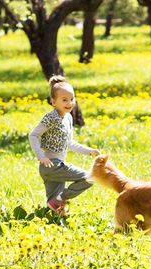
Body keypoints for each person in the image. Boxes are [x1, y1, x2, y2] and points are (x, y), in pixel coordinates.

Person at [29, 75, 101, 214]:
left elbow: (69, 143)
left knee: (55, 207)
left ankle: (53, 217)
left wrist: (89, 151)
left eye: (72, 98)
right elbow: (33, 135)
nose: (69, 102)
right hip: (51, 165)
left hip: (54, 167)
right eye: (64, 100)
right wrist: (40, 156)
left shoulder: (68, 117)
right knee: (89, 177)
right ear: (53, 102)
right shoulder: (51, 117)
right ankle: (60, 199)